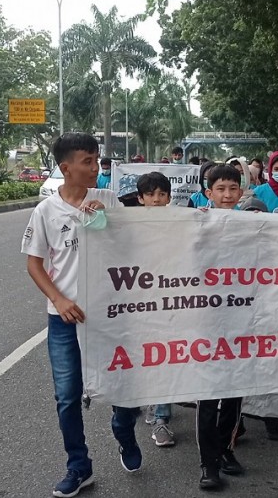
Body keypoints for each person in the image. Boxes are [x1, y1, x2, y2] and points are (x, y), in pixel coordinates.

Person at [21, 132, 122, 497]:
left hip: (112, 315)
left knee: (122, 384)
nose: (96, 168)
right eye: (87, 162)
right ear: (66, 168)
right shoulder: (46, 211)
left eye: (97, 160)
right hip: (65, 319)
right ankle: (78, 465)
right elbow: (34, 264)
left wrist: (109, 222)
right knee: (67, 395)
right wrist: (59, 300)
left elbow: (139, 242)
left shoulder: (109, 199)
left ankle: (124, 428)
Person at [114, 172, 178, 450]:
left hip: (171, 304)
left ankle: (161, 418)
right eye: (150, 194)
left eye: (162, 194)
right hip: (139, 305)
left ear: (169, 198)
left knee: (165, 357)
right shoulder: (128, 228)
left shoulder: (180, 225)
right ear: (140, 198)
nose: (156, 199)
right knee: (143, 358)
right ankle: (143, 401)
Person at [197, 164, 245, 490]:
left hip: (242, 321)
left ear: (241, 193)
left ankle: (226, 450)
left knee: (234, 393)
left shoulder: (256, 225)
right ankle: (208, 464)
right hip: (205, 322)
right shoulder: (196, 225)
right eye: (220, 189)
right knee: (205, 393)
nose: (227, 195)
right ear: (208, 193)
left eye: (232, 189)